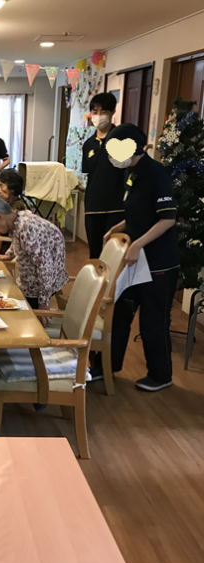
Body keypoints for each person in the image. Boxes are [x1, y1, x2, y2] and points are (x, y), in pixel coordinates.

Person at [102, 123, 180, 392]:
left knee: (152, 321)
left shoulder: (156, 172)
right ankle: (107, 365)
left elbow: (167, 219)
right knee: (120, 311)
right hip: (134, 260)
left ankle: (160, 375)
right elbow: (138, 213)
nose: (111, 157)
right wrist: (117, 228)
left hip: (158, 262)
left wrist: (137, 244)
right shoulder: (131, 173)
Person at [0, 194, 69, 310]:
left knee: (3, 307)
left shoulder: (27, 227)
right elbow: (18, 241)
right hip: (29, 280)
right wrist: (7, 255)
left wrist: (44, 303)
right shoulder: (18, 217)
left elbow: (45, 268)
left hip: (39, 287)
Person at [82, 92, 124, 258]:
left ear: (112, 112)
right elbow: (88, 174)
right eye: (95, 111)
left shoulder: (122, 140)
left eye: (103, 111)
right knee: (95, 254)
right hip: (93, 207)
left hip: (117, 207)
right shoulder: (88, 144)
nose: (99, 115)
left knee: (114, 256)